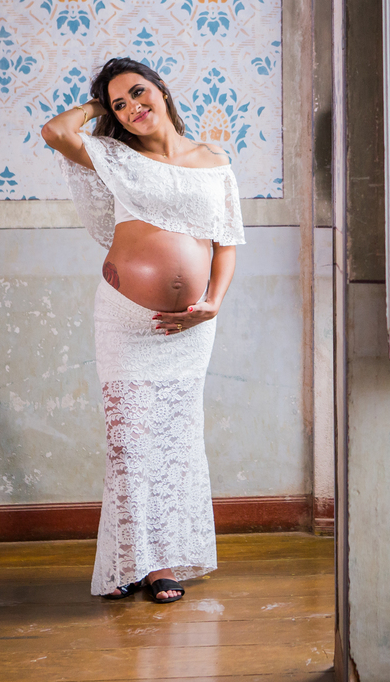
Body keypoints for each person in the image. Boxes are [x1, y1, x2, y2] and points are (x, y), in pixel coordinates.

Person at [41, 57, 245, 602]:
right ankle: (132, 560)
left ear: (161, 89)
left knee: (176, 444)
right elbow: (56, 131)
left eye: (138, 92)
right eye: (119, 104)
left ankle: (161, 564)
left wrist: (213, 303)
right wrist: (97, 105)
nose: (132, 107)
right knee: (130, 445)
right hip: (126, 322)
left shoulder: (214, 161)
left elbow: (226, 242)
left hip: (190, 329)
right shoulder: (114, 157)